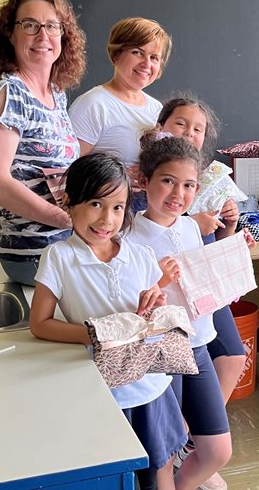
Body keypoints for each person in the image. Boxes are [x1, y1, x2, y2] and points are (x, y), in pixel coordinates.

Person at [28, 152, 184, 490]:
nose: (107, 219)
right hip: (105, 392)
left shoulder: (139, 255)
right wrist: (93, 335)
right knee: (117, 475)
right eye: (96, 204)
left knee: (161, 468)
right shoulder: (60, 257)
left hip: (150, 385)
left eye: (117, 207)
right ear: (69, 202)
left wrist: (155, 301)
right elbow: (39, 323)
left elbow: (150, 314)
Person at [126, 133, 245, 490]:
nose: (179, 194)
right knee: (162, 453)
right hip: (160, 352)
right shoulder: (130, 238)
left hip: (198, 346)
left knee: (216, 450)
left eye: (189, 185)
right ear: (144, 181)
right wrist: (158, 283)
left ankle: (185, 484)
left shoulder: (193, 226)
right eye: (168, 181)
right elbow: (127, 309)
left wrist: (231, 245)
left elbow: (205, 279)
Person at [0, 0, 86, 286]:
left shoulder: (56, 95)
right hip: (32, 255)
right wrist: (64, 219)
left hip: (63, 248)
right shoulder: (7, 94)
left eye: (52, 26)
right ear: (10, 34)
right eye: (30, 25)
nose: (43, 35)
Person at [156, 96, 246, 405]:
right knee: (179, 372)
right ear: (161, 126)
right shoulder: (149, 174)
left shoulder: (209, 178)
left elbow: (215, 246)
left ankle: (197, 434)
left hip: (205, 284)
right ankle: (186, 436)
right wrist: (193, 222)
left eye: (198, 128)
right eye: (180, 123)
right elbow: (149, 227)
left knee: (234, 355)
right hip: (171, 290)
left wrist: (228, 224)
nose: (189, 132)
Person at [68, 17, 173, 209]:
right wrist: (117, 177)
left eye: (154, 58)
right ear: (116, 54)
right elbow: (68, 170)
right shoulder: (94, 104)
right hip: (106, 216)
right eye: (137, 52)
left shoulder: (157, 109)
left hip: (147, 215)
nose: (146, 64)